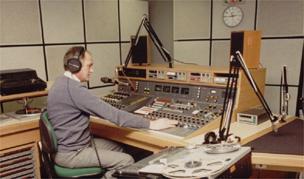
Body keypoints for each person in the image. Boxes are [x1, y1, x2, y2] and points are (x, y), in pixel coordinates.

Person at [47, 46, 177, 178]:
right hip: (73, 153)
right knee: (126, 161)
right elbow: (115, 116)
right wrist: (151, 124)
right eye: (89, 66)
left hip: (74, 146)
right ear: (75, 66)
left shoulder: (60, 83)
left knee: (119, 148)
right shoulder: (75, 90)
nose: (92, 70)